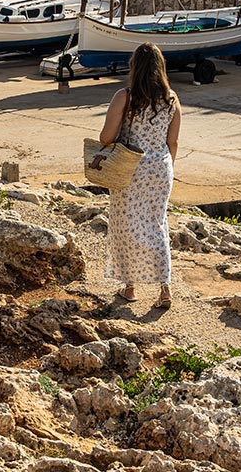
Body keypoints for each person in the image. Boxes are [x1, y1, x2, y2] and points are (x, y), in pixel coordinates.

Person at [99, 42, 181, 310]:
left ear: (135, 67)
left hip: (131, 167)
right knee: (157, 224)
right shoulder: (171, 100)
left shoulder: (126, 97)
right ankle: (165, 289)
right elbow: (173, 142)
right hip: (161, 168)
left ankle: (130, 286)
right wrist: (167, 168)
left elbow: (106, 137)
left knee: (125, 223)